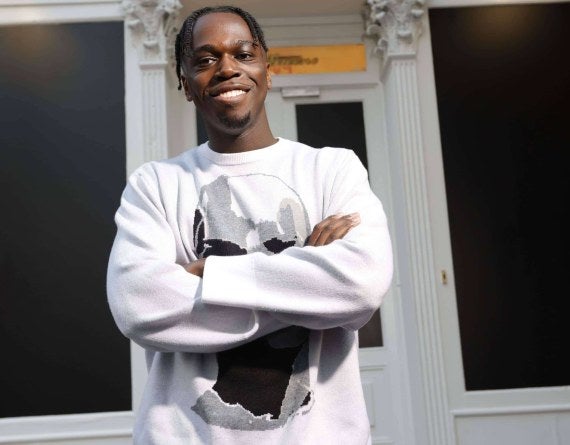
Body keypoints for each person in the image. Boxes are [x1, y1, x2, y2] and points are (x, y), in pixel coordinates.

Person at [107, 5, 393, 444]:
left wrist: (213, 272)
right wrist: (308, 277)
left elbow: (359, 286)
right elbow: (137, 304)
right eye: (204, 60)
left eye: (243, 54)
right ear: (184, 83)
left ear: (266, 69)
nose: (226, 69)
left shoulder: (333, 169)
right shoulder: (155, 185)